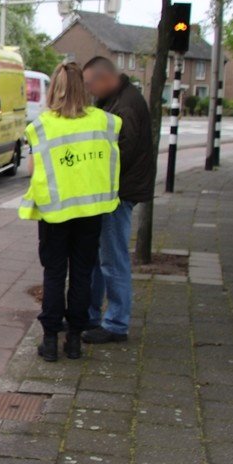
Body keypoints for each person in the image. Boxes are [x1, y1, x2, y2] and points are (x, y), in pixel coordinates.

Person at [19, 62, 121, 362]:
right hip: (91, 213)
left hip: (54, 214)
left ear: (55, 89)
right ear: (84, 88)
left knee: (54, 275)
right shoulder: (104, 121)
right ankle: (74, 340)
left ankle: (50, 341)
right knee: (82, 275)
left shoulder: (42, 125)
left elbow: (33, 169)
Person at [81, 57, 155, 344]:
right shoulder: (116, 99)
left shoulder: (124, 106)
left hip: (119, 193)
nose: (89, 90)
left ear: (106, 78)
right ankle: (92, 315)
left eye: (90, 84)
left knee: (113, 259)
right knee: (102, 257)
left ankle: (116, 323)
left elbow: (117, 154)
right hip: (114, 191)